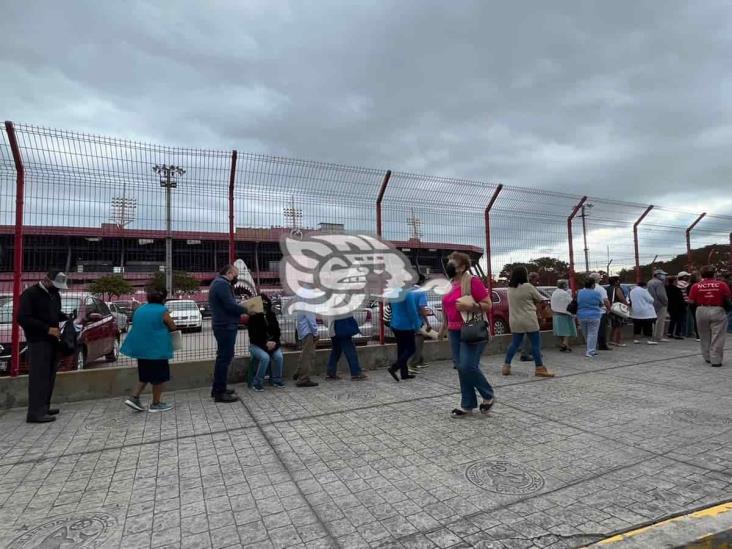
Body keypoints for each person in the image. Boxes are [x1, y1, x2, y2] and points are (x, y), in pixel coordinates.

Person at [437, 252, 494, 418]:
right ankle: (467, 404)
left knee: (468, 365)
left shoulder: (472, 281)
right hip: (454, 332)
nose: (449, 264)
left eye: (452, 262)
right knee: (461, 367)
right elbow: (447, 309)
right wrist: (442, 330)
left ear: (462, 266)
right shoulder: (450, 284)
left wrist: (472, 306)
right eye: (448, 261)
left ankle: (488, 394)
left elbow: (487, 305)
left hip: (471, 329)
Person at [17, 271, 70, 423]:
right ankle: (34, 413)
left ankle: (44, 407)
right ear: (46, 280)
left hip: (53, 340)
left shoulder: (54, 295)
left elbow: (53, 313)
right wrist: (46, 329)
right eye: (55, 285)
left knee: (49, 375)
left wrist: (65, 317)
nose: (58, 289)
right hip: (38, 341)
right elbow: (23, 318)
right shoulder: (31, 294)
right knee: (38, 376)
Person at [121, 287, 177, 412]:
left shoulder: (140, 309)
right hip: (157, 350)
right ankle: (156, 404)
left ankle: (134, 397)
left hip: (141, 350)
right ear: (163, 298)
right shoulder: (162, 310)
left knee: (145, 375)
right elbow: (172, 326)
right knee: (159, 377)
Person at [501, 267, 554, 377]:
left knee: (515, 344)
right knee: (535, 344)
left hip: (515, 320)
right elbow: (540, 299)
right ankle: (539, 368)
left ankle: (506, 366)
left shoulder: (510, 289)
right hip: (529, 319)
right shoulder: (528, 287)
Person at [209, 264, 248, 403]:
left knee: (223, 358)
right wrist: (247, 309)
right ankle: (220, 393)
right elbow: (230, 305)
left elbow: (228, 303)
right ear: (230, 272)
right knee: (224, 359)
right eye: (235, 274)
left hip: (223, 324)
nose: (236, 277)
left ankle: (218, 388)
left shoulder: (219, 283)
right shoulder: (222, 284)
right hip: (225, 325)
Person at [688, 265, 731, 367]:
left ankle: (707, 357)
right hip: (717, 309)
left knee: (704, 335)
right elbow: (728, 298)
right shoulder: (722, 285)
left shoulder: (696, 286)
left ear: (702, 274)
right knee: (718, 335)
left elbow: (691, 301)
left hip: (701, 310)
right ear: (714, 273)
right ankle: (715, 360)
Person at [387, 282, 423, 382]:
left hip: (395, 324)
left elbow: (392, 308)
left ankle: (404, 373)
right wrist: (417, 326)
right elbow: (412, 312)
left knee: (401, 349)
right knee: (411, 348)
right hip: (406, 326)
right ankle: (394, 368)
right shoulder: (408, 294)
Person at [249, 294, 284, 391]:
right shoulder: (253, 317)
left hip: (272, 345)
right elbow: (253, 336)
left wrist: (274, 342)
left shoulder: (271, 315)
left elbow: (277, 332)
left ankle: (276, 380)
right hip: (256, 345)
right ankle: (257, 383)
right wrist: (265, 344)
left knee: (279, 357)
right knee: (265, 358)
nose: (264, 307)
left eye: (265, 304)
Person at [326, 316, 368, 380]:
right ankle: (356, 372)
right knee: (350, 350)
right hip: (342, 326)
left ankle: (330, 373)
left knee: (336, 351)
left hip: (334, 327)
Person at [408, 274, 434, 373]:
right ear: (422, 282)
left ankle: (420, 361)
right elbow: (422, 309)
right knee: (418, 342)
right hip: (417, 322)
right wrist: (427, 323)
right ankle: (412, 364)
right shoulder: (420, 292)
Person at [577, 279, 605, 358]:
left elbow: (577, 302)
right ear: (593, 285)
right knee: (592, 333)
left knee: (586, 333)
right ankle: (590, 351)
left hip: (581, 315)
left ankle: (589, 348)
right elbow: (601, 303)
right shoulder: (597, 293)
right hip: (594, 315)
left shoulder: (579, 292)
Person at [293, 304, 319, 389]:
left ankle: (299, 371)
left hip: (303, 331)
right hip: (308, 332)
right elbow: (310, 319)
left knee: (305, 354)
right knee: (308, 355)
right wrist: (315, 332)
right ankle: (303, 379)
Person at [519, 272, 543, 361]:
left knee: (529, 334)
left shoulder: (521, 287)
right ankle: (526, 353)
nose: (538, 282)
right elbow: (539, 300)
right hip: (531, 313)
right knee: (531, 334)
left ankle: (530, 351)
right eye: (536, 280)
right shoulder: (530, 288)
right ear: (532, 279)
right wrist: (539, 314)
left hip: (523, 313)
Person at [550, 280, 576, 352]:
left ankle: (564, 345)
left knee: (560, 331)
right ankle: (565, 344)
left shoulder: (554, 293)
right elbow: (570, 302)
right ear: (564, 285)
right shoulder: (565, 293)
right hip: (564, 314)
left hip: (555, 314)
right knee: (567, 331)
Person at [589, 273, 611, 351]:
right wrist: (609, 309)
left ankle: (592, 345)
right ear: (597, 279)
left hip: (589, 311)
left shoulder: (586, 289)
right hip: (600, 312)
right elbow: (605, 300)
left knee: (592, 330)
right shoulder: (600, 289)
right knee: (601, 329)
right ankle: (602, 345)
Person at [647, 269, 669, 343]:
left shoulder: (649, 282)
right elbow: (661, 294)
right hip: (660, 304)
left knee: (653, 321)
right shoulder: (659, 283)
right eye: (663, 275)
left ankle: (653, 336)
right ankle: (659, 337)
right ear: (658, 275)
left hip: (652, 303)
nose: (664, 276)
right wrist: (666, 302)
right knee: (660, 321)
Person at [607, 276, 629, 347]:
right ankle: (618, 341)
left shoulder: (607, 289)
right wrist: (626, 305)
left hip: (610, 308)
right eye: (618, 280)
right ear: (616, 282)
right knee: (619, 325)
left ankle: (611, 340)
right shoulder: (617, 288)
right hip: (617, 309)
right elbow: (621, 298)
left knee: (614, 325)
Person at [666, 275, 687, 340]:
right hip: (678, 307)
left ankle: (670, 332)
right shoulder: (676, 289)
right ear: (674, 281)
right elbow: (680, 299)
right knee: (679, 321)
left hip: (670, 306)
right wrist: (684, 305)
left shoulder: (666, 288)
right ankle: (678, 333)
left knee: (672, 319)